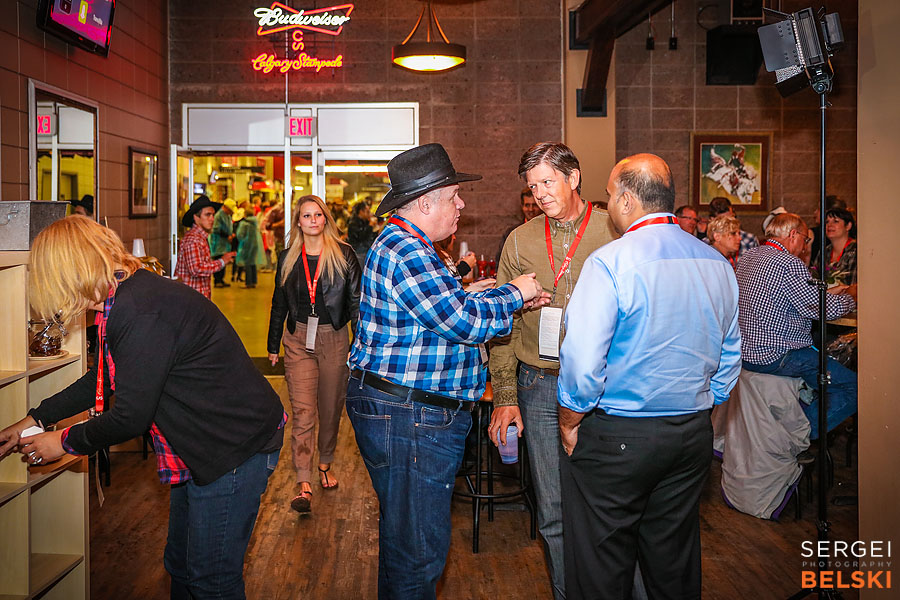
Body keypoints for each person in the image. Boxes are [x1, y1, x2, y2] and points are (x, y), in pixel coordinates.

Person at [0, 215, 284, 599]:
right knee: (182, 566)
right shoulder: (125, 298)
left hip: (233, 446)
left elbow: (131, 416)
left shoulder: (139, 310)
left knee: (211, 577)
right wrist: (36, 418)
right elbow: (103, 377)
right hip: (204, 442)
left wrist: (63, 441)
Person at [346, 143, 549, 599]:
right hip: (410, 417)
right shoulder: (407, 249)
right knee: (418, 551)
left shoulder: (414, 245)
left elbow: (448, 309)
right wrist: (515, 293)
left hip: (407, 412)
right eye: (454, 196)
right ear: (425, 202)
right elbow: (463, 322)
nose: (462, 205)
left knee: (407, 543)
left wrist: (481, 295)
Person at [556, 154, 741, 600]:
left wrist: (568, 420)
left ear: (624, 198)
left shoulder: (609, 262)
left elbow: (583, 361)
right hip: (690, 433)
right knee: (673, 559)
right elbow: (731, 355)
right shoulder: (716, 263)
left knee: (601, 561)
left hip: (618, 434)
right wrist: (703, 405)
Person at [487, 141, 615, 600]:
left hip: (605, 389)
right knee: (553, 513)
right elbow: (501, 327)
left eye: (547, 181)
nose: (539, 193)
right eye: (532, 186)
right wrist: (505, 397)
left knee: (608, 508)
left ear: (574, 177)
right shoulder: (520, 240)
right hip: (538, 386)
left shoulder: (613, 232)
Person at [267, 195, 361, 514]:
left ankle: (325, 462)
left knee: (330, 407)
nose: (312, 220)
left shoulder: (344, 255)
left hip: (333, 337)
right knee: (304, 411)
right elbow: (278, 303)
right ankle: (304, 480)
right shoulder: (287, 258)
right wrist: (271, 344)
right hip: (296, 338)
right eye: (306, 216)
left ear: (325, 219)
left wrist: (360, 343)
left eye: (317, 215)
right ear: (298, 222)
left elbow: (356, 303)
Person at [737, 213, 858, 439]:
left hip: (748, 352)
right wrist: (852, 296)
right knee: (853, 387)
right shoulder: (788, 263)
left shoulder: (749, 256)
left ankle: (793, 417)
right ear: (793, 235)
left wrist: (826, 294)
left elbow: (783, 298)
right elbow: (824, 310)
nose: (804, 248)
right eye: (805, 240)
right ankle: (796, 436)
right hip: (778, 354)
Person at [175, 195, 236, 298]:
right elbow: (196, 269)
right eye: (207, 215)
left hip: (196, 298)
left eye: (213, 215)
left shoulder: (199, 238)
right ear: (196, 217)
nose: (212, 219)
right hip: (192, 299)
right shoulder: (193, 239)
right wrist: (222, 261)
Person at [811, 207, 857, 286]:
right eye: (827, 222)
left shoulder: (855, 250)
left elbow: (855, 286)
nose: (829, 225)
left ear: (848, 226)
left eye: (835, 221)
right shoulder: (824, 251)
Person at [210, 199, 237, 288]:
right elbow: (216, 228)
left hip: (225, 244)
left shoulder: (227, 216)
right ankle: (217, 280)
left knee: (224, 261)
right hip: (219, 243)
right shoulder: (219, 216)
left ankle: (221, 279)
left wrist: (231, 234)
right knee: (219, 260)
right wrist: (227, 235)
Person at [236, 206, 265, 289]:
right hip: (255, 244)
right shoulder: (255, 222)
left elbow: (240, 234)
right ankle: (253, 281)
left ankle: (248, 283)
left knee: (247, 263)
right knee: (253, 263)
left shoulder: (244, 223)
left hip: (246, 245)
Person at [347, 200, 377, 267]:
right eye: (367, 212)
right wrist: (370, 226)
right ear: (361, 212)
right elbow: (361, 236)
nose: (370, 214)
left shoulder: (364, 221)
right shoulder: (353, 223)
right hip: (359, 253)